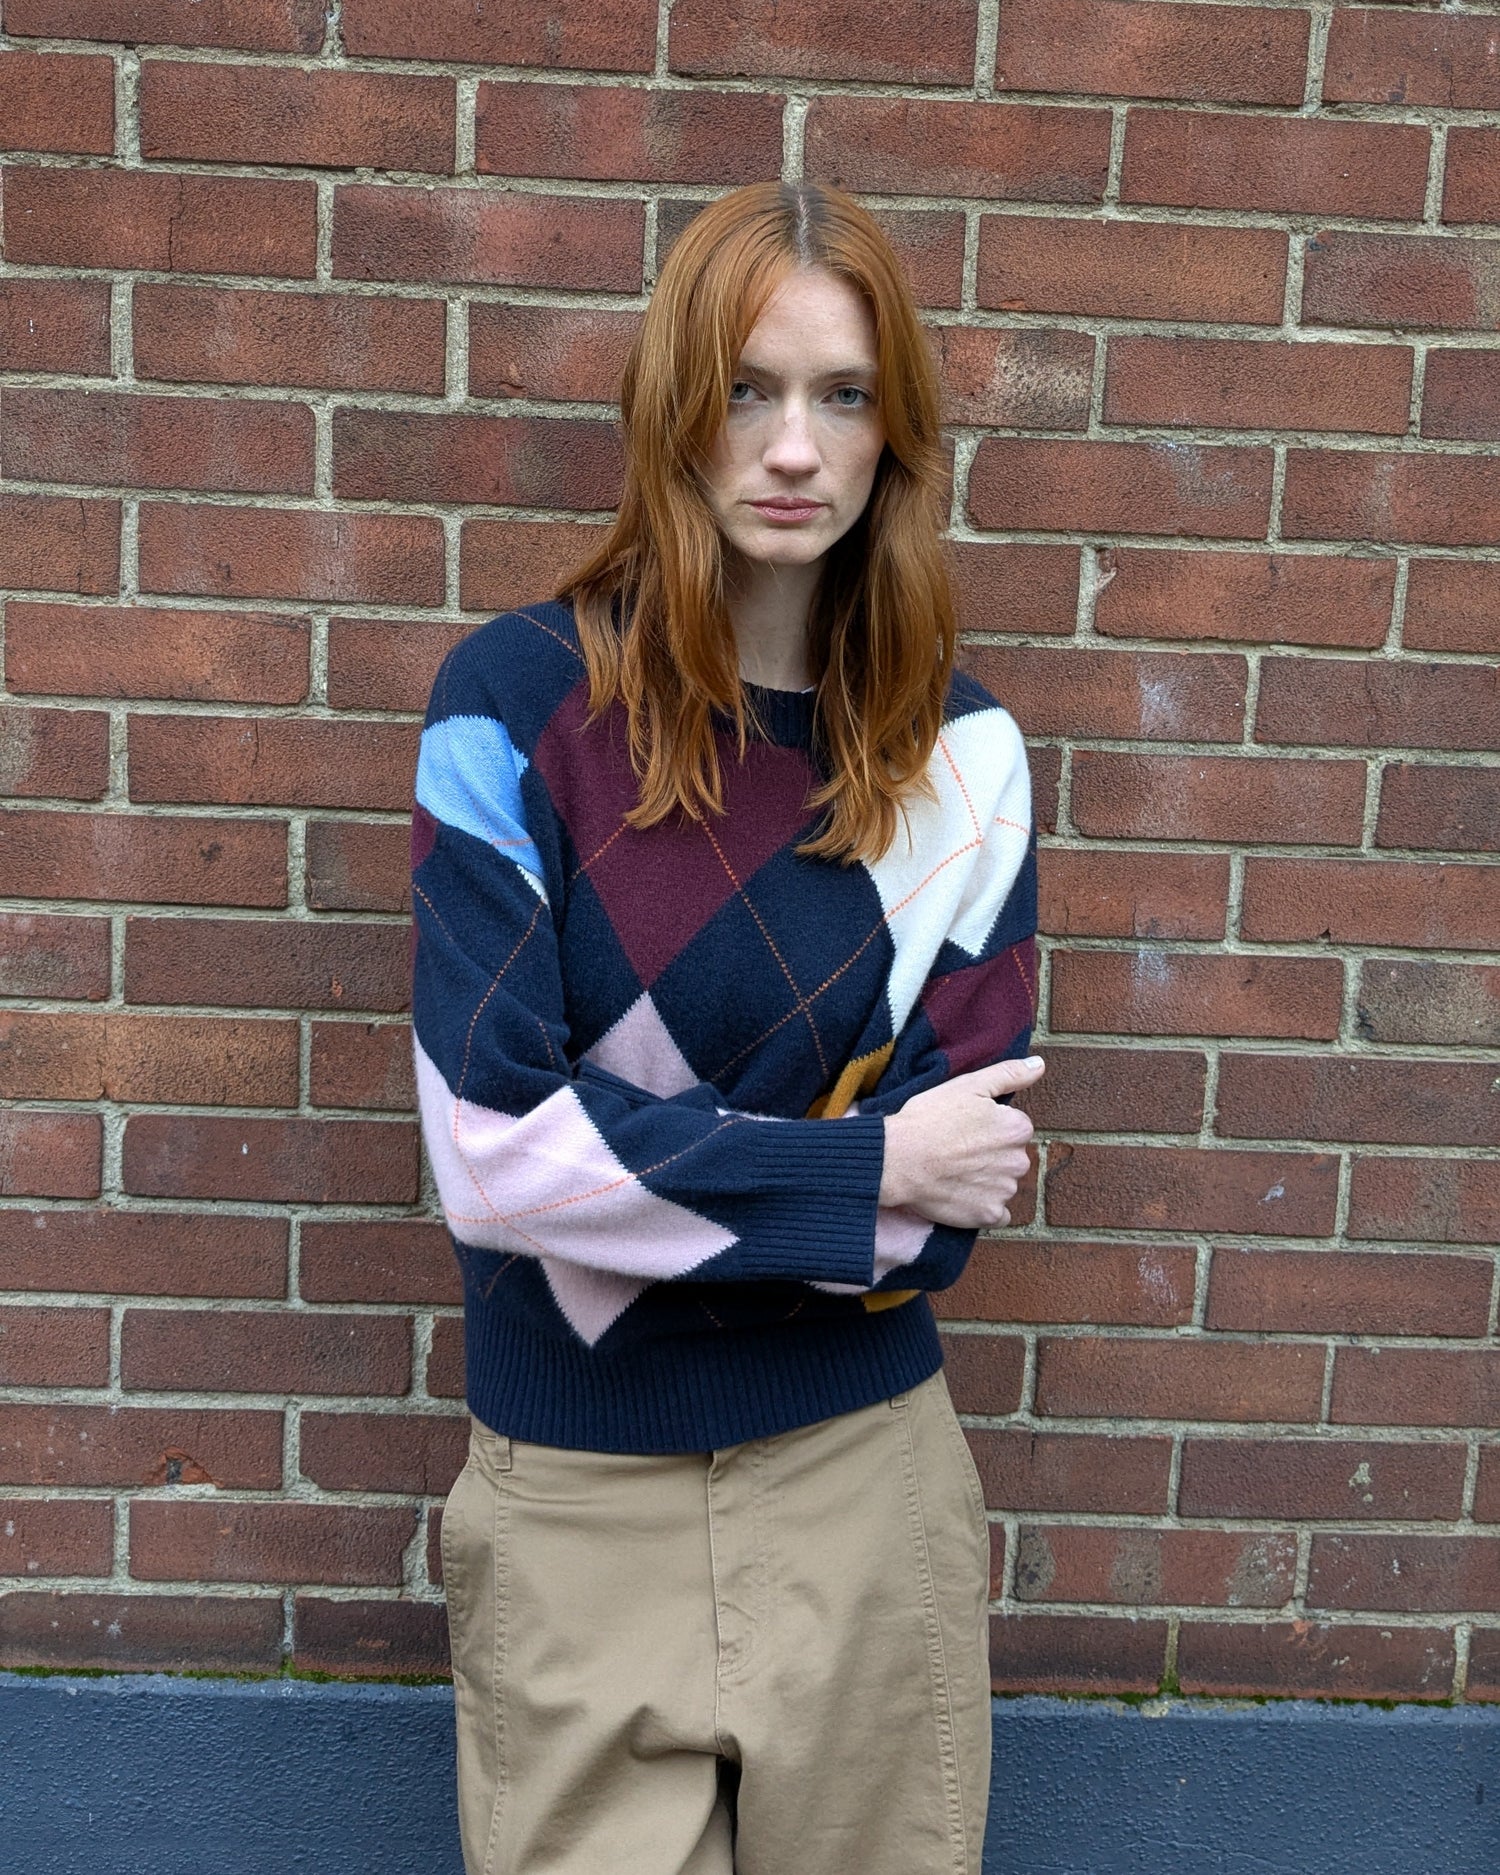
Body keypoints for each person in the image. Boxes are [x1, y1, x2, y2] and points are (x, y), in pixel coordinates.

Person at [411, 179, 1041, 1875]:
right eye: (747, 390)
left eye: (842, 397)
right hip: (572, 1499)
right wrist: (857, 1164)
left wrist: (666, 1183)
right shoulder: (513, 710)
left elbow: (941, 1227)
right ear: (674, 411)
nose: (792, 446)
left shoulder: (966, 763)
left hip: (862, 1484)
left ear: (895, 432)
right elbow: (492, 1159)